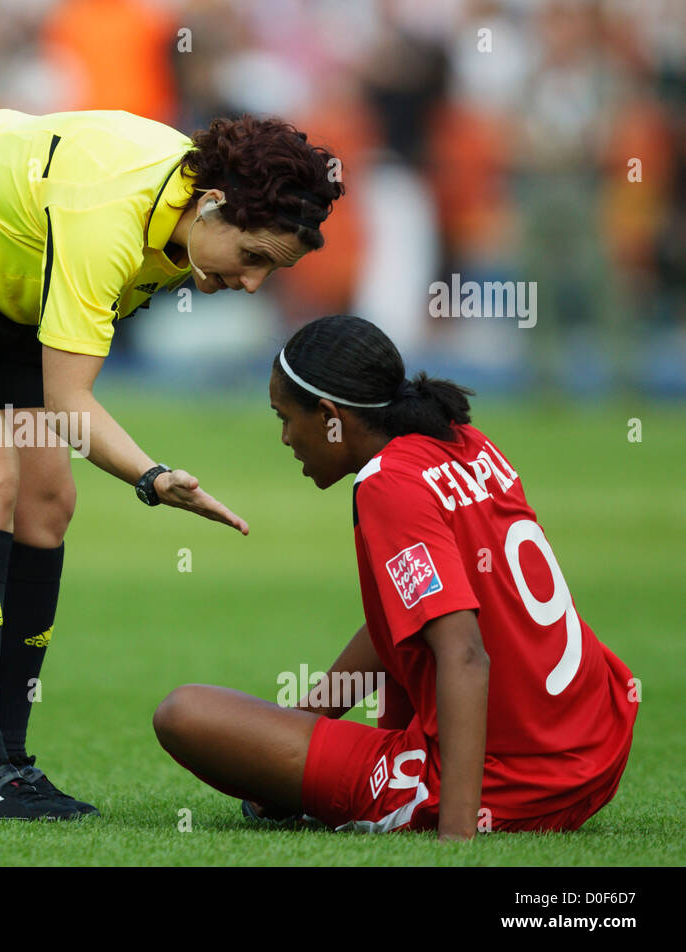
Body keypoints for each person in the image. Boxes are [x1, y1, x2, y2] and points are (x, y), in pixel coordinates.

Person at [0, 109, 343, 820]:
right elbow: (66, 399)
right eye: (253, 257)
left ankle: (8, 767)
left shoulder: (189, 216)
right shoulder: (111, 212)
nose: (252, 283)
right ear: (212, 205)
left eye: (271, 269)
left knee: (45, 507)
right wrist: (152, 478)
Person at [152, 314, 638, 839]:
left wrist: (457, 836)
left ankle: (428, 799)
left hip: (517, 781)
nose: (287, 438)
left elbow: (464, 653)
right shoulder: (463, 439)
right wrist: (293, 731)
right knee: (407, 636)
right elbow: (406, 620)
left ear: (329, 415)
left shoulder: (386, 483)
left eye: (285, 417)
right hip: (596, 743)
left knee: (184, 714)